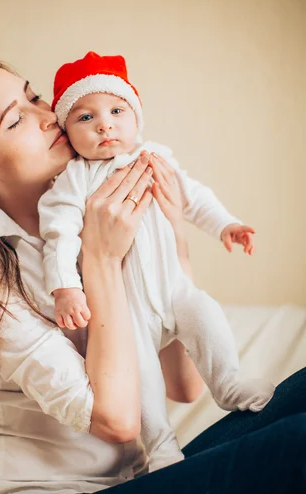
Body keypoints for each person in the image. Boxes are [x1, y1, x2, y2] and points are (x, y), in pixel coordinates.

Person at [0, 51, 304, 494]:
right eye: (17, 118)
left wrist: (172, 235)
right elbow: (117, 422)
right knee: (296, 446)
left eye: (34, 96)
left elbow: (185, 387)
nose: (49, 113)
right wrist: (98, 263)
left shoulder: (94, 209)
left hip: (133, 484)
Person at [38, 51, 275, 471]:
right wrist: (65, 287)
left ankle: (229, 384)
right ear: (67, 134)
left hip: (174, 290)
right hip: (126, 314)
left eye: (116, 110)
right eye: (85, 118)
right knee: (141, 375)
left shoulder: (154, 157)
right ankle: (161, 447)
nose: (105, 124)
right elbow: (57, 234)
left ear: (136, 118)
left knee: (206, 313)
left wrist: (226, 225)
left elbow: (192, 196)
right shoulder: (73, 180)